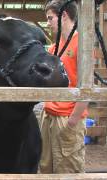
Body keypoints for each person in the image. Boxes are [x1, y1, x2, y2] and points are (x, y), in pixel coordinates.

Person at [39, 0, 89, 173]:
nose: (48, 22)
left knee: (68, 169)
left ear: (64, 16)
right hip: (48, 115)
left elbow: (87, 85)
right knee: (45, 167)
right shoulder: (53, 48)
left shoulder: (82, 45)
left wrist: (73, 120)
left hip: (67, 117)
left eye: (50, 18)